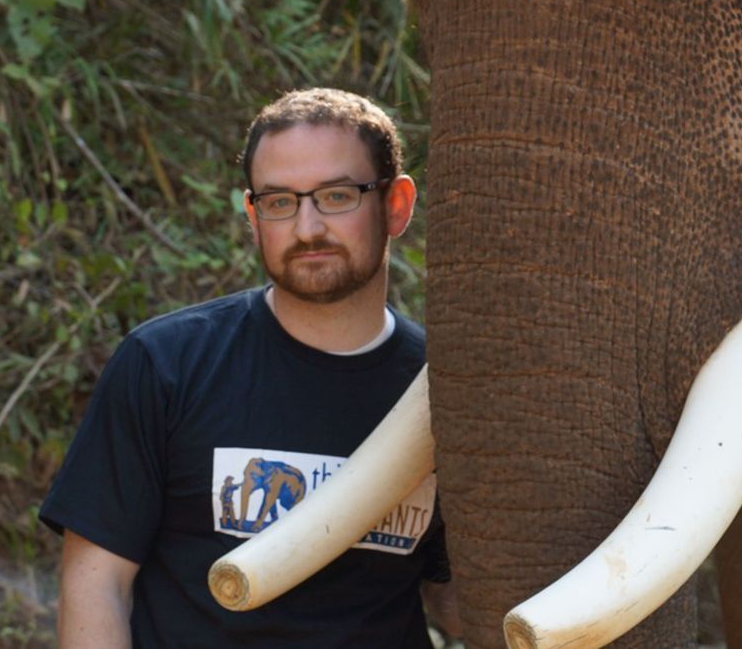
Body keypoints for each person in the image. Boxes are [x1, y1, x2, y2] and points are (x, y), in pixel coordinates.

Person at [40, 88, 453, 647]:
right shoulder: (166, 365)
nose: (308, 228)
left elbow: (460, 597)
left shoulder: (443, 391)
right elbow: (98, 585)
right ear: (253, 216)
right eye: (280, 201)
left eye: (336, 196)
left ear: (396, 205)